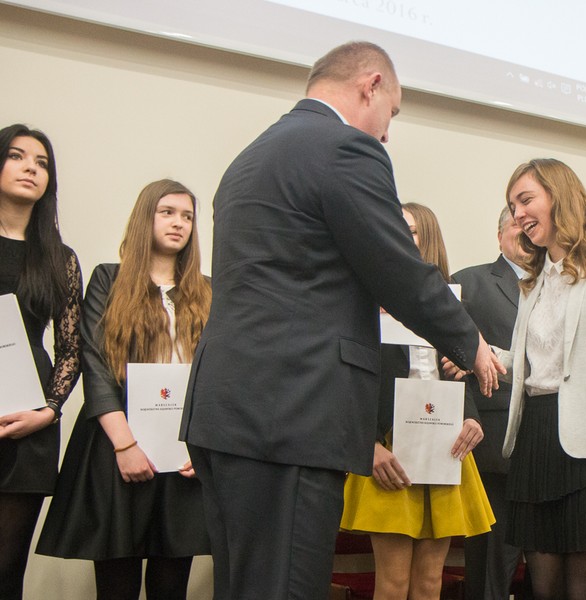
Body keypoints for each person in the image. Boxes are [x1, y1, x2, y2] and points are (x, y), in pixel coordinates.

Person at [179, 41, 501, 600]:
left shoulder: (252, 156)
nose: (386, 131)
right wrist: (469, 341)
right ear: (370, 85)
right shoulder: (345, 147)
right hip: (291, 412)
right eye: (392, 112)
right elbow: (397, 267)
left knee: (244, 584)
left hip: (225, 409)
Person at [464, 158, 586, 600]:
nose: (517, 214)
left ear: (560, 196)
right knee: (544, 588)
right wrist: (485, 354)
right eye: (512, 206)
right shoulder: (536, 280)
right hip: (537, 439)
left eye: (526, 199)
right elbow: (538, 361)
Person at [36, 179, 212, 600]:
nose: (178, 223)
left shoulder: (209, 290)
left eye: (187, 216)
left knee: (171, 587)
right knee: (117, 586)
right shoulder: (107, 279)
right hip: (118, 448)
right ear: (144, 218)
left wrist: (200, 447)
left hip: (185, 453)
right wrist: (125, 445)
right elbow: (94, 363)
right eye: (166, 212)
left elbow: (219, 377)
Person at [340, 202, 495, 600]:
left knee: (430, 582)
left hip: (445, 445)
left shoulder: (452, 304)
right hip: (388, 448)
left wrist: (472, 418)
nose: (398, 235)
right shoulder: (362, 298)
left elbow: (461, 373)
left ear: (428, 238)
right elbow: (348, 381)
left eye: (409, 229)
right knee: (392, 584)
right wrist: (367, 444)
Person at [0, 124, 82, 600]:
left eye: (42, 162)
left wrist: (49, 409)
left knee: (8, 565)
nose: (32, 167)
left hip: (30, 422)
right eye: (17, 156)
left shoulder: (59, 257)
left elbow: (71, 348)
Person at [452, 206, 529, 600]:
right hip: (494, 448)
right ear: (500, 235)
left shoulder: (561, 285)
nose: (526, 232)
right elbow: (447, 362)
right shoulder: (469, 282)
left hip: (556, 447)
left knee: (555, 568)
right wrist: (467, 416)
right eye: (517, 225)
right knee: (490, 575)